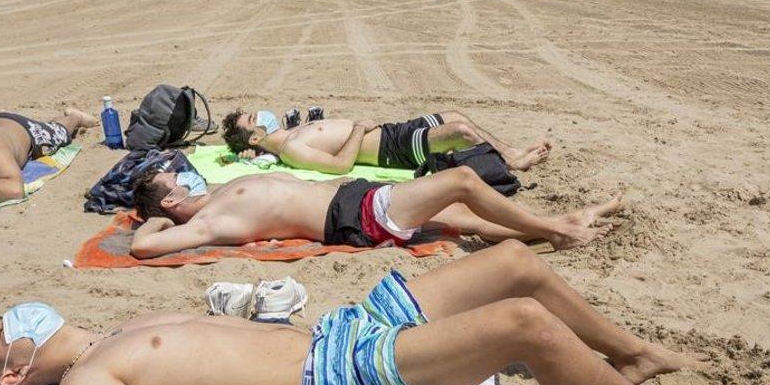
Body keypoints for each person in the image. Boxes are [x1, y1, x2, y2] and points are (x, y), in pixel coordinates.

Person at [0, 241, 770, 385]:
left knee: (514, 266)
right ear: (15, 372)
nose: (13, 315)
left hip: (343, 327)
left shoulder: (112, 333)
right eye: (0, 332)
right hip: (342, 375)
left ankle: (631, 355)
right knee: (523, 323)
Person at [128, 167, 621, 258]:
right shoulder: (209, 221)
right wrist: (159, 218)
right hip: (357, 217)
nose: (183, 174)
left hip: (358, 199)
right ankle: (559, 231)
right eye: (174, 181)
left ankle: (560, 224)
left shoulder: (218, 194)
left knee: (460, 214)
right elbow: (144, 245)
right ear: (170, 201)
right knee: (463, 184)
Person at [220, 108, 551, 173]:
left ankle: (511, 152)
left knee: (456, 116)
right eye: (252, 119)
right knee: (461, 134)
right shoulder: (291, 150)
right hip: (392, 151)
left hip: (391, 132)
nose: (260, 113)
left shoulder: (291, 134)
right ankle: (509, 162)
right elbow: (339, 166)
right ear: (255, 135)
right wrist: (359, 131)